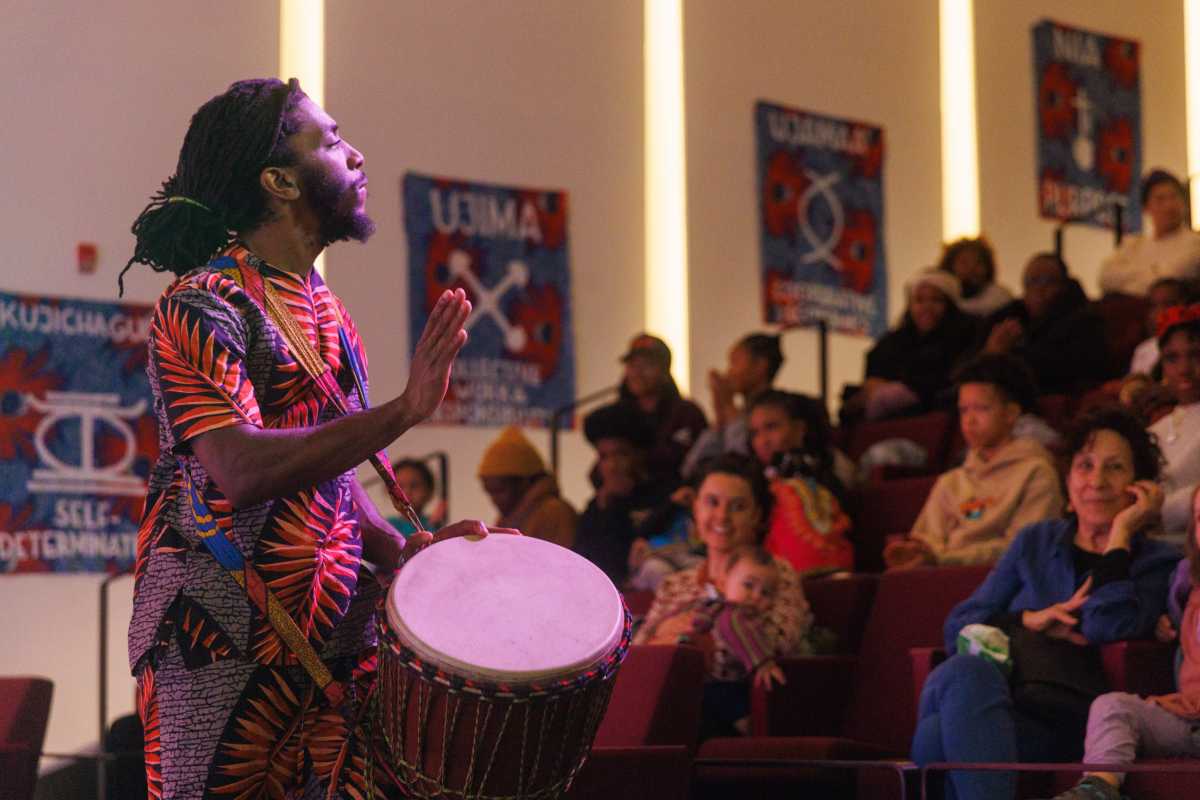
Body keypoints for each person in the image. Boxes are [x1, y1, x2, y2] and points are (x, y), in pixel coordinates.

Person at [122, 78, 511, 799]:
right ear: (278, 179)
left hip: (338, 640)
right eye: (330, 141)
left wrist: (407, 557)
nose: (355, 155)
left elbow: (334, 484)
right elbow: (237, 466)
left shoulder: (325, 308)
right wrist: (403, 410)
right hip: (224, 637)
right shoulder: (202, 302)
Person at [912, 406, 1181, 800]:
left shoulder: (1158, 561)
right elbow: (960, 624)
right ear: (1068, 477)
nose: (1096, 481)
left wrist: (1121, 535)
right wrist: (1028, 620)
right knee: (962, 675)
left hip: (1076, 722)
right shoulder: (1036, 541)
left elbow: (1106, 625)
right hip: (1004, 705)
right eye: (1085, 466)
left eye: (1114, 468)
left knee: (936, 730)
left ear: (1139, 486)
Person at [635, 453, 813, 737]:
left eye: (738, 506)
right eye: (711, 502)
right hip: (664, 694)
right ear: (695, 508)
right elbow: (640, 653)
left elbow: (778, 641)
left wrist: (693, 647)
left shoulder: (774, 574)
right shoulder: (676, 583)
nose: (722, 517)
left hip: (725, 708)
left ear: (757, 515)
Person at [1040, 486, 1200, 800]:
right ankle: (1097, 790)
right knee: (1112, 705)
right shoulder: (1188, 589)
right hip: (1189, 718)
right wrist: (1162, 620)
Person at [884, 354, 1063, 569]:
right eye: (963, 410)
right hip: (943, 584)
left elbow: (1024, 551)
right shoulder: (950, 481)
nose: (969, 420)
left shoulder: (1037, 473)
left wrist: (942, 559)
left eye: (981, 409)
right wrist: (913, 553)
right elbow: (927, 543)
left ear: (1011, 413)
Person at [642, 545, 787, 734]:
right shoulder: (732, 613)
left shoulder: (714, 606)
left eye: (766, 593)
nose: (756, 597)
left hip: (713, 683)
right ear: (724, 581)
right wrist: (762, 662)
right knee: (733, 710)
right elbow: (735, 629)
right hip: (721, 682)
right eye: (749, 585)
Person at [845, 267, 978, 421]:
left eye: (936, 300)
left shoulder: (962, 337)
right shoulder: (893, 341)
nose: (927, 307)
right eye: (919, 300)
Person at [746, 390, 854, 574]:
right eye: (755, 432)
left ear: (799, 429)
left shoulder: (830, 469)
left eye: (771, 427)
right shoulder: (748, 478)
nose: (763, 440)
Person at [979, 252, 1110, 395]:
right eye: (1031, 282)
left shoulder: (1085, 322)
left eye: (1048, 281)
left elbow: (1064, 369)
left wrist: (1002, 355)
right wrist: (990, 353)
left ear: (1063, 285)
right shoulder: (1010, 317)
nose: (1039, 290)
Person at [574, 403, 668, 585]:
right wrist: (607, 507)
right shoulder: (597, 506)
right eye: (604, 457)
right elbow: (584, 564)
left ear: (638, 455)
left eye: (620, 454)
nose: (612, 465)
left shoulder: (664, 498)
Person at [610, 333, 708, 487]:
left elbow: (696, 464)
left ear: (664, 370)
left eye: (646, 365)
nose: (637, 373)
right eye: (632, 365)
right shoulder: (617, 416)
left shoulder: (687, 414)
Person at [682, 332, 784, 477]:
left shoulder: (777, 411)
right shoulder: (738, 414)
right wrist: (719, 411)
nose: (729, 371)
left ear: (760, 366)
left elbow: (740, 465)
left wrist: (728, 405)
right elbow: (691, 469)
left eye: (734, 362)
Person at [1099, 169, 1200, 297]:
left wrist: (1130, 278)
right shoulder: (1133, 245)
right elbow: (1105, 278)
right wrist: (1153, 272)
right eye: (1160, 199)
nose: (1169, 206)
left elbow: (1166, 284)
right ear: (1146, 208)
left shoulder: (1195, 244)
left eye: (1174, 197)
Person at [1147, 304, 1200, 534]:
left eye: (1196, 355)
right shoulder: (1154, 429)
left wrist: (1155, 511)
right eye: (1172, 358)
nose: (1184, 369)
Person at [478, 425, 577, 548]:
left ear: (524, 482)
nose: (494, 499)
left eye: (499, 491)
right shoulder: (511, 517)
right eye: (489, 492)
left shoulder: (554, 514)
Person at [1128, 277, 1194, 375]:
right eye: (1153, 306)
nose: (1159, 313)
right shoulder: (1143, 350)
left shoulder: (1193, 343)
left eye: (1168, 304)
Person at [938, 236, 1014, 317]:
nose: (971, 269)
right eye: (964, 263)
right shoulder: (939, 301)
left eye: (978, 263)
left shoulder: (1001, 300)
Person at [385, 458, 445, 537]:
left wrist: (432, 524)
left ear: (429, 491)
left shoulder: (435, 525)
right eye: (400, 486)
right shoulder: (387, 526)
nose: (406, 492)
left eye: (414, 486)